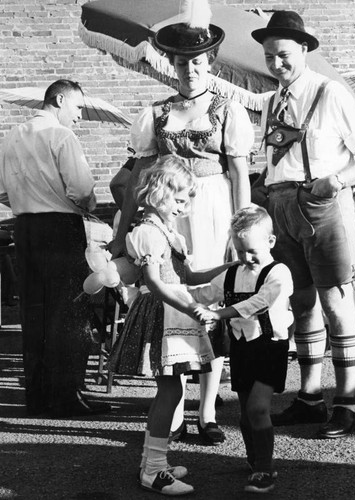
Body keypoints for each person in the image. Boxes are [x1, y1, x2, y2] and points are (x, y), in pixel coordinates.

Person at [112, 0, 254, 444]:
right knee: (170, 305)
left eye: (196, 61)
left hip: (212, 212)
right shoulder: (156, 113)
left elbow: (238, 176)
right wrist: (123, 233)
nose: (189, 69)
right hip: (169, 215)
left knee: (207, 305)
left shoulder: (229, 109)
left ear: (210, 61)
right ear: (170, 65)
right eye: (180, 62)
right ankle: (171, 412)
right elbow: (139, 180)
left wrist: (239, 229)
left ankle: (208, 411)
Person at [251, 11, 355, 438]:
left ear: (304, 49)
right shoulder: (272, 101)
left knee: (338, 303)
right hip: (281, 205)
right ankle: (309, 398)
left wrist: (338, 180)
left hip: (323, 204)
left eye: (284, 55)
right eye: (270, 56)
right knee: (302, 304)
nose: (276, 64)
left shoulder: (331, 93)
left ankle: (347, 404)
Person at [108, 156, 237, 495]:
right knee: (170, 391)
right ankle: (152, 471)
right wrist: (192, 307)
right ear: (160, 193)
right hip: (161, 313)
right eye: (180, 200)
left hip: (171, 312)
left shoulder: (167, 231)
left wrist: (228, 268)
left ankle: (155, 463)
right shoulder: (148, 232)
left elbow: (188, 276)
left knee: (171, 390)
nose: (185, 207)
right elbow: (156, 281)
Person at [0, 79, 110, 417]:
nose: (79, 116)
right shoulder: (62, 136)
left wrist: (24, 200)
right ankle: (66, 396)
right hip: (60, 228)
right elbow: (81, 189)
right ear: (59, 100)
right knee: (67, 314)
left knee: (34, 314)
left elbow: (2, 191)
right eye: (77, 107)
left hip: (25, 227)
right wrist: (85, 206)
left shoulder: (12, 136)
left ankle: (37, 396)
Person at [192, 206, 293, 494]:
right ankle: (254, 459)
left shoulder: (280, 273)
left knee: (258, 408)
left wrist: (219, 314)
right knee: (246, 413)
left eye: (251, 251)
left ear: (271, 242)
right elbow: (205, 294)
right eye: (239, 252)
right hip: (242, 349)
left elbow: (258, 303)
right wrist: (170, 294)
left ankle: (264, 468)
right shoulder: (233, 273)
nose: (245, 258)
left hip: (270, 347)